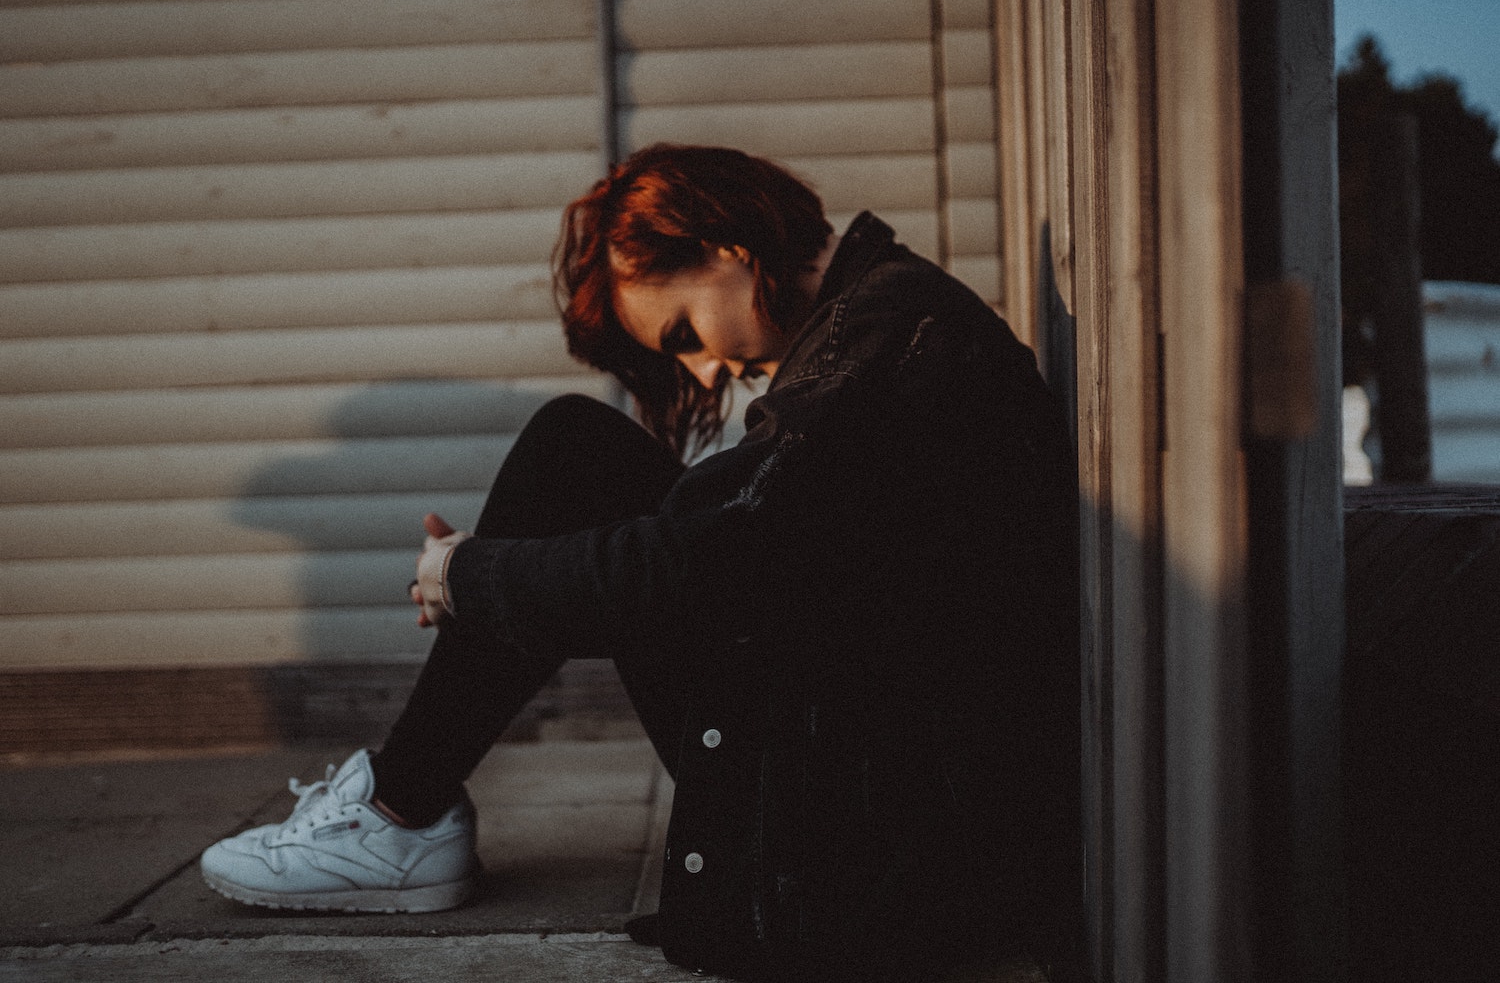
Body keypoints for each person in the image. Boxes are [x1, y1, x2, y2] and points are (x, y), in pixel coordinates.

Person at [200, 144, 1081, 981]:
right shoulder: (883, 317)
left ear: (727, 244)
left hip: (887, 855)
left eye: (685, 333)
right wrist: (493, 572)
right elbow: (741, 549)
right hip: (896, 793)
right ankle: (401, 806)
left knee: (575, 456)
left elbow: (699, 564)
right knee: (580, 455)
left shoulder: (883, 339)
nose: (704, 375)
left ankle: (398, 811)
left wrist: (467, 579)